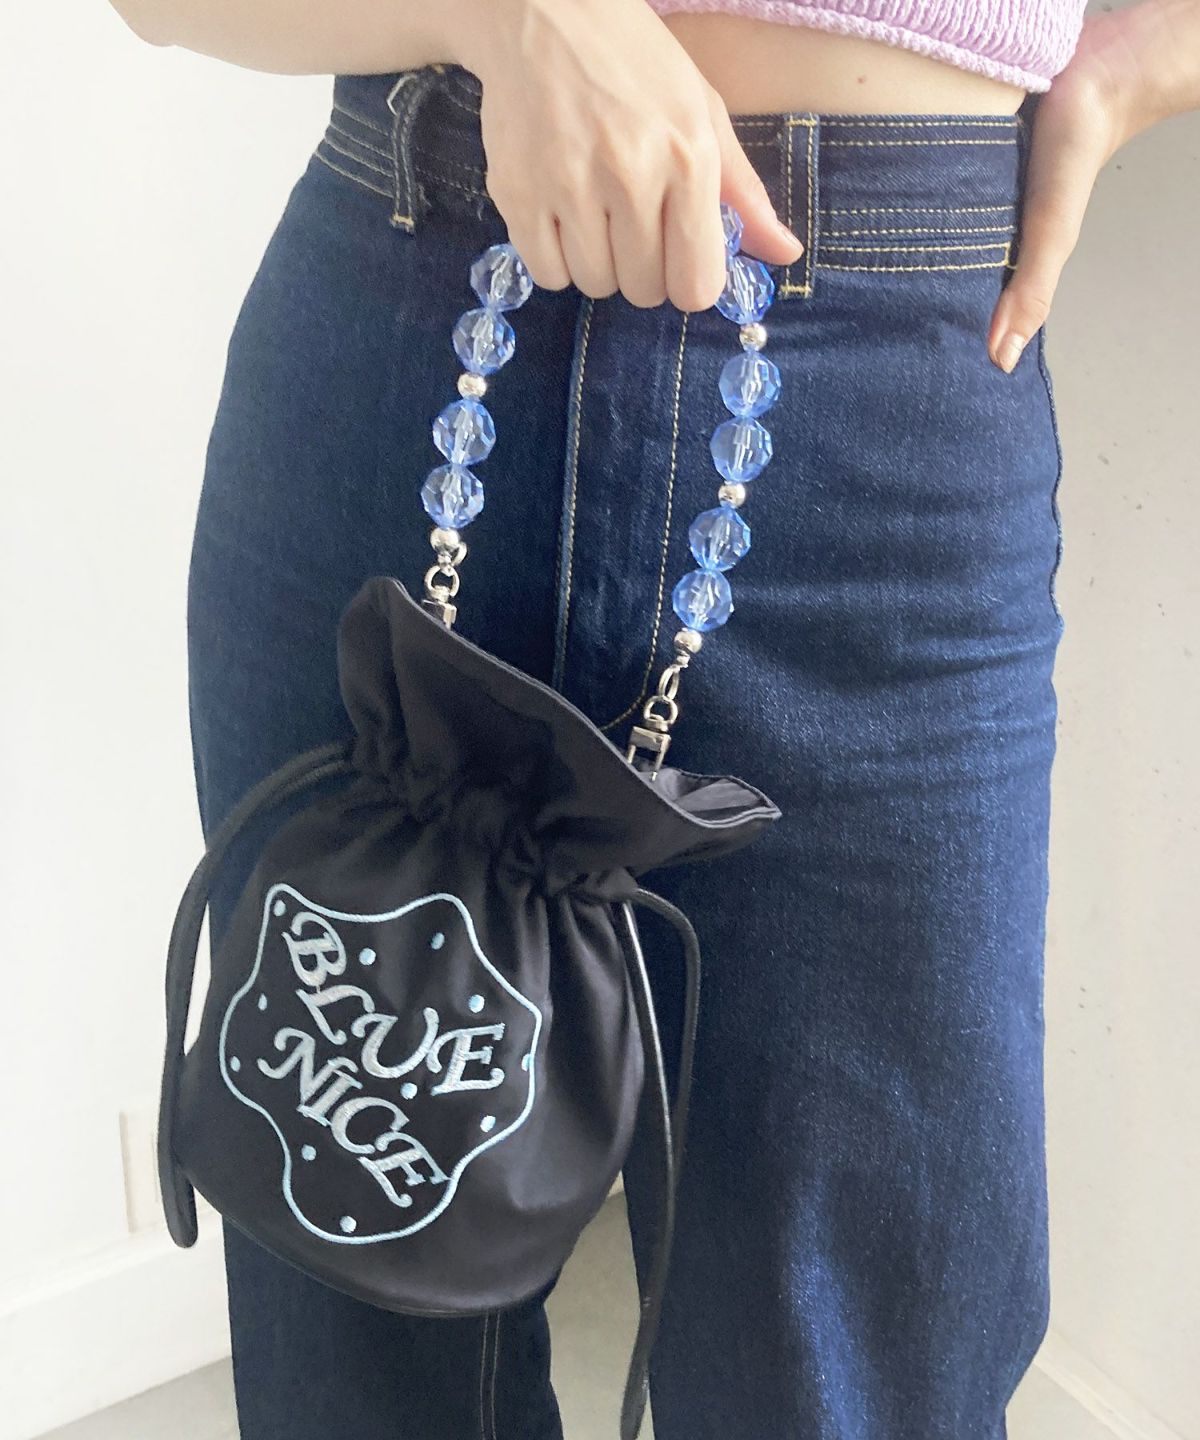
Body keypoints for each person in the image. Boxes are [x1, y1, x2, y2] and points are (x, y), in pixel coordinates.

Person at [110, 1, 1200, 1437]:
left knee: (853, 1374)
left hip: (883, 407)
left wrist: (1140, 62)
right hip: (400, 323)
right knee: (354, 1350)